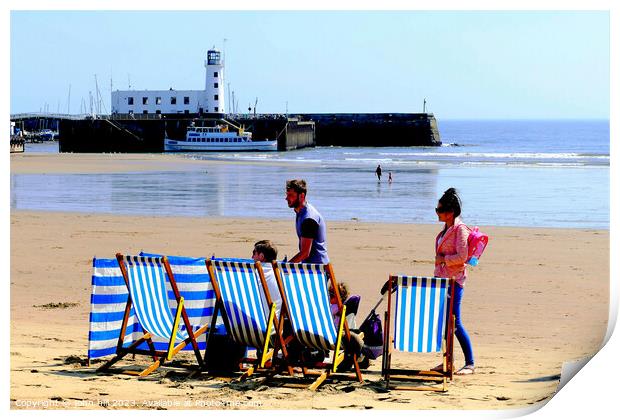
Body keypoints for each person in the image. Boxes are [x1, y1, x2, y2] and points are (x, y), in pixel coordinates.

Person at [434, 187, 475, 375]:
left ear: (450, 213)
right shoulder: (446, 229)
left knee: (455, 322)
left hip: (455, 281)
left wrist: (443, 260)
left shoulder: (460, 230)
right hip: (442, 281)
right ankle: (447, 362)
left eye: (439, 210)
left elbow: (463, 256)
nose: (437, 212)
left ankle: (470, 363)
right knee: (445, 323)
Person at [285, 179, 329, 264]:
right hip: (310, 266)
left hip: (317, 270)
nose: (286, 198)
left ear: (301, 196)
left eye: (290, 195)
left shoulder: (308, 219)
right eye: (287, 195)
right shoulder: (301, 212)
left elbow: (305, 253)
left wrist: (286, 266)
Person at [251, 240, 282, 317]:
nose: (252, 257)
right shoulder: (282, 275)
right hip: (274, 325)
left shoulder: (252, 274)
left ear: (261, 256)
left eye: (254, 253)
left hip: (247, 324)